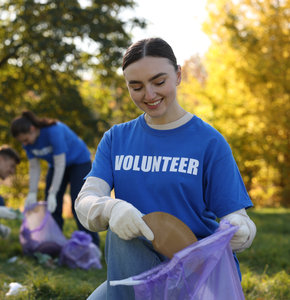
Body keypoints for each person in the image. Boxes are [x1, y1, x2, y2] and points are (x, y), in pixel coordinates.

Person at [75, 37, 256, 299]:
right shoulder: (116, 139)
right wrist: (110, 207)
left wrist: (241, 228)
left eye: (159, 82)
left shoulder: (209, 142)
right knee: (119, 235)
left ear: (178, 75)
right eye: (136, 87)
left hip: (196, 276)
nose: (149, 95)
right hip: (135, 270)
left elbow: (236, 216)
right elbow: (85, 200)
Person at [11, 110, 100, 246]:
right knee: (51, 204)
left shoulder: (53, 131)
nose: (25, 144)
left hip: (79, 161)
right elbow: (34, 168)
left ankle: (91, 244)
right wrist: (32, 192)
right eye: (22, 141)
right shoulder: (28, 143)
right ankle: (54, 242)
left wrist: (54, 192)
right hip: (56, 164)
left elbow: (60, 163)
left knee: (78, 203)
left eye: (25, 139)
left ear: (32, 129)